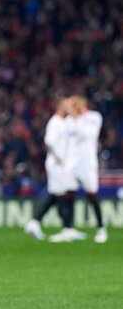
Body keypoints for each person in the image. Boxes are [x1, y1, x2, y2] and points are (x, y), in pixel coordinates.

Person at [47, 95, 106, 243]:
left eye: (72, 105)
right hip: (71, 164)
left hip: (87, 164)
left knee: (92, 195)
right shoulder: (68, 121)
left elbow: (88, 134)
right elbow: (65, 141)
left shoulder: (94, 117)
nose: (69, 109)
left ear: (79, 105)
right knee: (68, 195)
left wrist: (76, 117)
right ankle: (68, 229)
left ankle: (101, 229)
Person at [24, 97, 81, 241]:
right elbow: (49, 141)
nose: (70, 106)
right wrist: (57, 155)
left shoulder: (63, 122)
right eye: (68, 104)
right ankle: (66, 229)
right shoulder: (55, 122)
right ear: (61, 105)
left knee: (56, 194)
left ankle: (35, 222)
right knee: (60, 193)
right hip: (56, 164)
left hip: (61, 164)